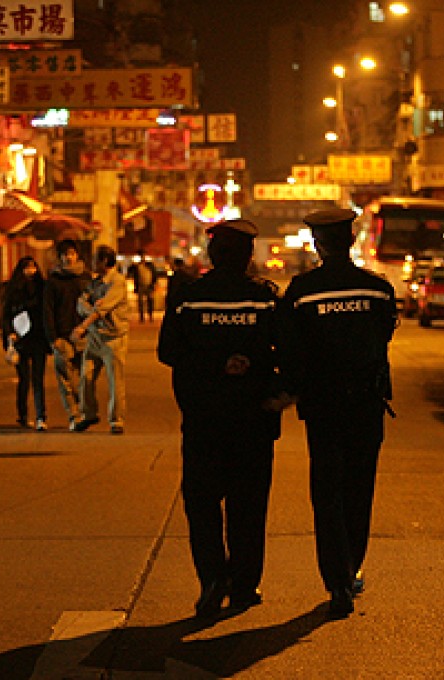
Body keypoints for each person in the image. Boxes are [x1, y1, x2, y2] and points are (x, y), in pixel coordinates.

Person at [157, 218, 287, 618]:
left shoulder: (189, 298)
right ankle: (244, 585)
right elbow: (288, 351)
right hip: (253, 421)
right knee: (248, 506)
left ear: (213, 255)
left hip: (203, 421)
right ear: (249, 256)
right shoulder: (265, 299)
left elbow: (168, 352)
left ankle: (212, 578)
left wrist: (211, 365)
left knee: (203, 504)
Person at [279, 208, 397, 618]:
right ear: (349, 240)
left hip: (323, 408)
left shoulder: (301, 291)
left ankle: (337, 582)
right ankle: (351, 567)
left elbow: (289, 350)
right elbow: (383, 336)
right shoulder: (377, 290)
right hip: (366, 404)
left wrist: (293, 389)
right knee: (359, 489)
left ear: (317, 243)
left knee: (327, 493)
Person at [73, 244, 130, 434]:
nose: (91, 263)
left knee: (115, 380)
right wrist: (93, 309)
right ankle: (88, 414)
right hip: (95, 337)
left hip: (113, 338)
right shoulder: (95, 282)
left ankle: (116, 420)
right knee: (85, 376)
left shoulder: (117, 282)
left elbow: (103, 309)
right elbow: (81, 303)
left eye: (95, 258)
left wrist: (83, 325)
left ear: (104, 261)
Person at [43, 239, 90, 431]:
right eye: (65, 254)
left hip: (84, 336)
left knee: (85, 378)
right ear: (60, 257)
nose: (69, 257)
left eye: (72, 253)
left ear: (77, 255)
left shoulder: (85, 279)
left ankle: (84, 410)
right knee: (65, 379)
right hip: (62, 337)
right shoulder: (53, 282)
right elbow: (48, 311)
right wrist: (53, 337)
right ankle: (74, 415)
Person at [2, 256, 50, 431]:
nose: (31, 270)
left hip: (38, 338)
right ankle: (22, 414)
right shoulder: (14, 290)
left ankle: (40, 416)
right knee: (24, 379)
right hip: (20, 339)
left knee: (38, 379)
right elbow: (5, 315)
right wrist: (10, 333)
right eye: (27, 267)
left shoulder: (42, 288)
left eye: (33, 267)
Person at [127, 250, 158, 322]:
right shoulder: (137, 266)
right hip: (141, 285)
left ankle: (150, 315)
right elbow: (130, 272)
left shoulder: (150, 265)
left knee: (150, 301)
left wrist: (154, 283)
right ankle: (142, 317)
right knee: (140, 302)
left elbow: (154, 274)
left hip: (149, 285)